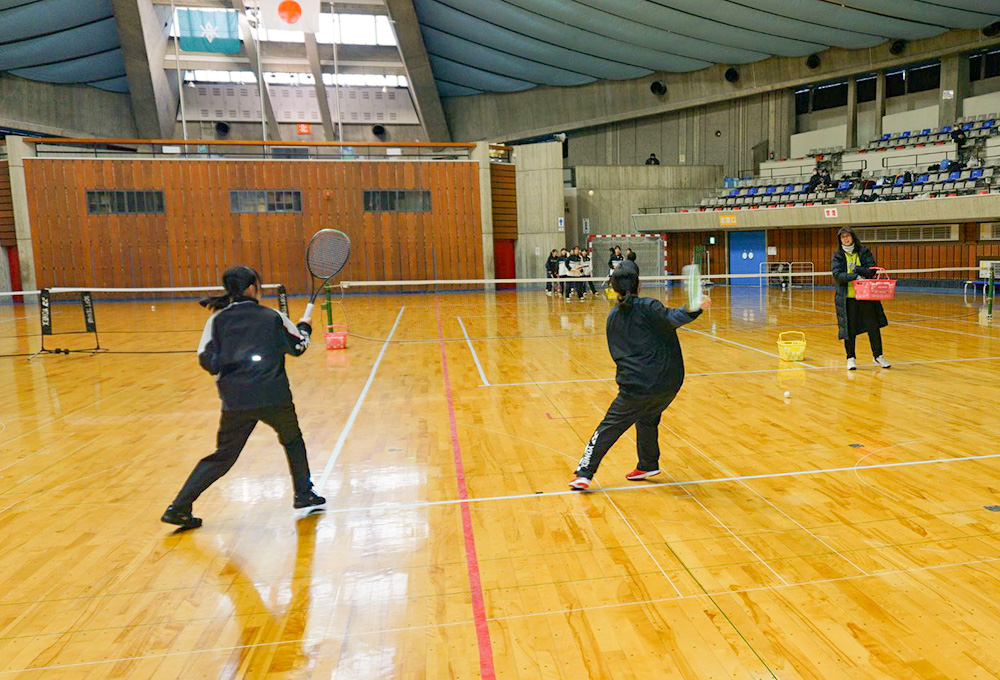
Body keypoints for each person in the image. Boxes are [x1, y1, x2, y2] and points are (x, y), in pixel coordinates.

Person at [161, 266, 325, 530]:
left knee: (223, 457)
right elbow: (298, 347)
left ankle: (178, 507)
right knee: (293, 440)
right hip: (274, 396)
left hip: (236, 401)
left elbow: (207, 361)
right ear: (251, 287)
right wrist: (305, 328)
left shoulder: (216, 321)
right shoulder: (273, 316)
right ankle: (303, 493)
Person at [569, 260, 709, 489]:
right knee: (648, 416)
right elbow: (675, 318)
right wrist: (696, 308)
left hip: (636, 387)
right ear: (638, 284)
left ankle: (584, 472)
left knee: (609, 426)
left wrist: (694, 308)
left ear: (613, 289)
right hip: (669, 383)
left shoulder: (613, 318)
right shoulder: (649, 306)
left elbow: (618, 355)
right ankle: (647, 464)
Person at [831, 228, 890, 371]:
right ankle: (850, 358)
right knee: (849, 330)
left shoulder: (863, 251)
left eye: (848, 236)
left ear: (853, 237)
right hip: (848, 298)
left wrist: (857, 269)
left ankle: (878, 356)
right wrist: (853, 277)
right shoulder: (838, 255)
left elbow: (871, 270)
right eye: (843, 237)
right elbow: (837, 274)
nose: (846, 239)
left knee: (873, 327)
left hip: (867, 297)